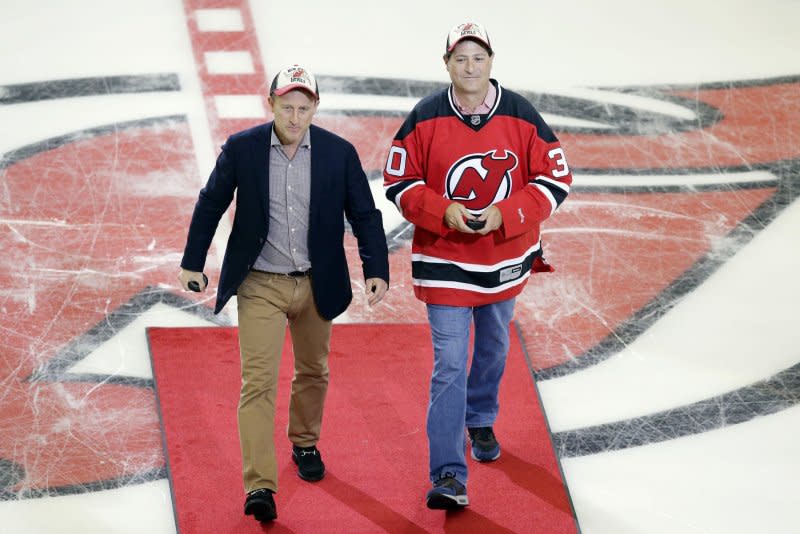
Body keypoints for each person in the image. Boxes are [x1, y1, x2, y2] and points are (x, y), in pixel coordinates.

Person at [179, 64, 389, 523]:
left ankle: (305, 441)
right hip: (261, 285)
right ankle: (259, 485)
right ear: (270, 103)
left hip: (318, 281)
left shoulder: (338, 153)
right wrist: (192, 261)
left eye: (304, 108)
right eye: (287, 107)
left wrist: (377, 269)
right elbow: (212, 201)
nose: (295, 118)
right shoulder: (243, 149)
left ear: (315, 108)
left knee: (313, 371)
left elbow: (365, 213)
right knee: (257, 383)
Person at [383, 22, 572, 509]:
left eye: (479, 58)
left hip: (504, 260)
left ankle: (481, 415)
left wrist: (504, 215)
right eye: (461, 59)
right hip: (445, 262)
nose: (470, 67)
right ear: (446, 63)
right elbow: (398, 181)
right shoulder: (424, 116)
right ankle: (448, 473)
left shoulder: (520, 113)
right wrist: (441, 210)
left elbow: (556, 178)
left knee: (492, 346)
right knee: (449, 364)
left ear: (491, 62)